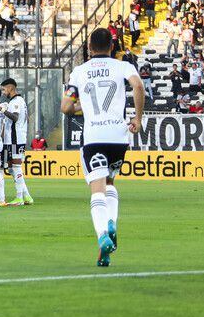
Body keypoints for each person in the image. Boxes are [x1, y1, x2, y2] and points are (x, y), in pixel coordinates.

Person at [62, 27, 145, 267]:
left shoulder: (79, 71)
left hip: (94, 135)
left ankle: (102, 236)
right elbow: (138, 87)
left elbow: (66, 107)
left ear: (89, 48)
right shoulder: (123, 66)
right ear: (112, 46)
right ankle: (113, 223)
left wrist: (83, 108)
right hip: (118, 137)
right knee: (110, 182)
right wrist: (137, 120)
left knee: (96, 189)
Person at [0, 77, 33, 205]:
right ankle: (27, 196)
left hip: (15, 138)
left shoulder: (16, 101)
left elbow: (15, 117)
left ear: (10, 88)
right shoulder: (20, 101)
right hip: (14, 138)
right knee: (13, 169)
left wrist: (2, 109)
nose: (3, 92)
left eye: (4, 89)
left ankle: (19, 197)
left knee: (16, 167)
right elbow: (27, 119)